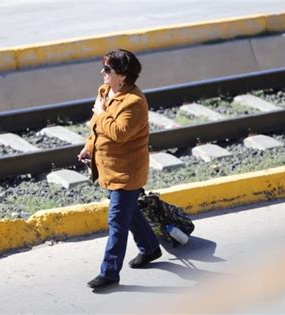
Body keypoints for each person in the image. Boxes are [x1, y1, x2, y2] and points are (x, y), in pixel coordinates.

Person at [78, 49, 161, 289]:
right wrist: (89, 147)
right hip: (107, 169)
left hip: (127, 173)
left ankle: (110, 272)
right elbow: (97, 127)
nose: (102, 73)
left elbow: (119, 133)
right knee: (129, 211)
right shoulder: (105, 91)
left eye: (107, 70)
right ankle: (150, 248)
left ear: (122, 76)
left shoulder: (134, 102)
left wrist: (102, 113)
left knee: (117, 221)